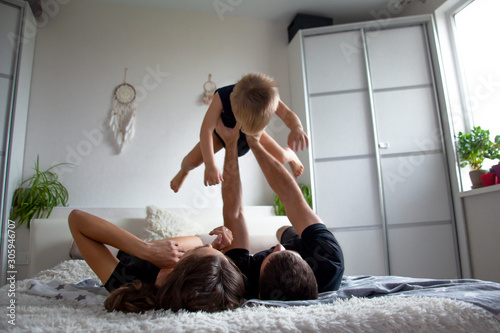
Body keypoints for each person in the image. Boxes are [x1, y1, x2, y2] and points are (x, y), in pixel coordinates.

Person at [215, 118, 345, 301]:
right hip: (305, 247)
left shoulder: (242, 279)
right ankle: (288, 155)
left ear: (259, 293)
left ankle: (285, 235)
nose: (278, 247)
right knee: (283, 230)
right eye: (283, 250)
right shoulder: (328, 259)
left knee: (280, 232)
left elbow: (234, 213)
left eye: (273, 254)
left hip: (293, 255)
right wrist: (254, 142)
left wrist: (230, 146)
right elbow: (290, 197)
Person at [68, 209, 245, 313]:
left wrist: (146, 250)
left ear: (180, 268)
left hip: (135, 249)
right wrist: (213, 249)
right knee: (197, 242)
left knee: (194, 243)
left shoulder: (129, 283)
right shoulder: (190, 273)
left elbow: (76, 219)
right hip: (165, 256)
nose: (208, 244)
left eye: (199, 251)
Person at [170, 72, 309, 193]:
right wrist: (210, 165)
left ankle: (291, 155)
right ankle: (183, 172)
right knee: (190, 161)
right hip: (221, 132)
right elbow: (206, 130)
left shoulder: (269, 97)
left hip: (255, 134)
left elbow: (287, 115)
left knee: (280, 158)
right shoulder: (222, 97)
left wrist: (297, 128)